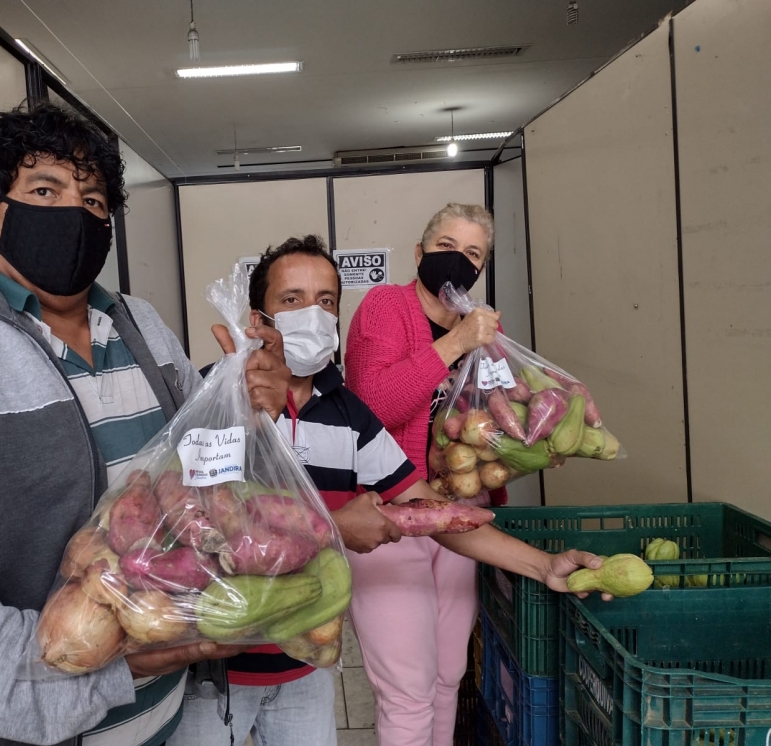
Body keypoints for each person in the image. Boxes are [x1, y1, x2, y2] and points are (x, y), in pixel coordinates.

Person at [0, 102, 290, 746]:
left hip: (169, 719)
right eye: (46, 190)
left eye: (94, 200)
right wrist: (101, 667)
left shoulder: (142, 327)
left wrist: (245, 408)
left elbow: (194, 487)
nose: (77, 213)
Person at [169, 234, 605, 746]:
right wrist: (253, 423)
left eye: (325, 301)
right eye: (291, 300)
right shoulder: (212, 400)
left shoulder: (349, 415)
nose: (312, 314)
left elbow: (432, 513)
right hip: (214, 670)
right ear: (258, 319)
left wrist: (542, 565)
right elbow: (181, 528)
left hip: (304, 666)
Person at [343, 203, 511, 746]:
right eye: (445, 246)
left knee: (447, 677)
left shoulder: (480, 331)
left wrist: (524, 445)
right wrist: (457, 344)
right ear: (419, 253)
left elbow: (490, 421)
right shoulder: (385, 308)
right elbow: (374, 407)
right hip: (392, 515)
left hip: (454, 514)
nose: (456, 261)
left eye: (472, 254)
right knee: (409, 688)